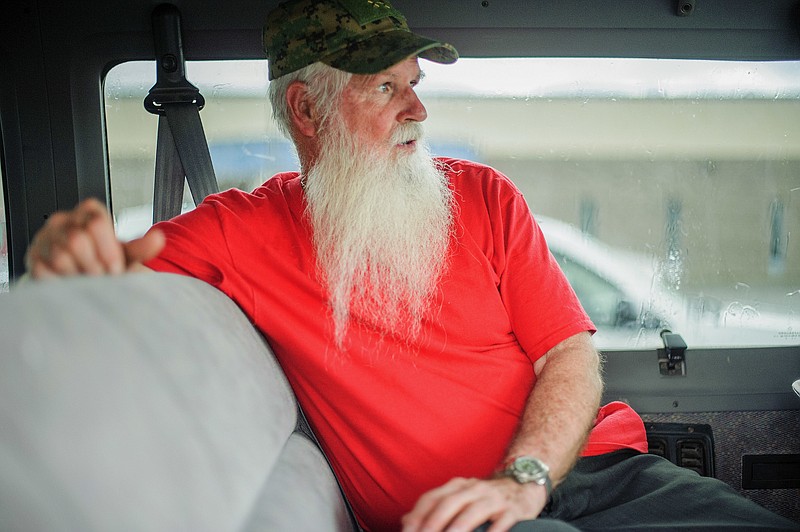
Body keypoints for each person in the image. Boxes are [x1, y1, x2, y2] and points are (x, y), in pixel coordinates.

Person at [24, 1, 798, 531]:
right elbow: (91, 274)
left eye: (416, 85)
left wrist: (526, 479)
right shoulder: (242, 231)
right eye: (387, 88)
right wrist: (61, 253)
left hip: (597, 470)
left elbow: (568, 353)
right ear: (305, 110)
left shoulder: (486, 197)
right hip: (453, 516)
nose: (417, 111)